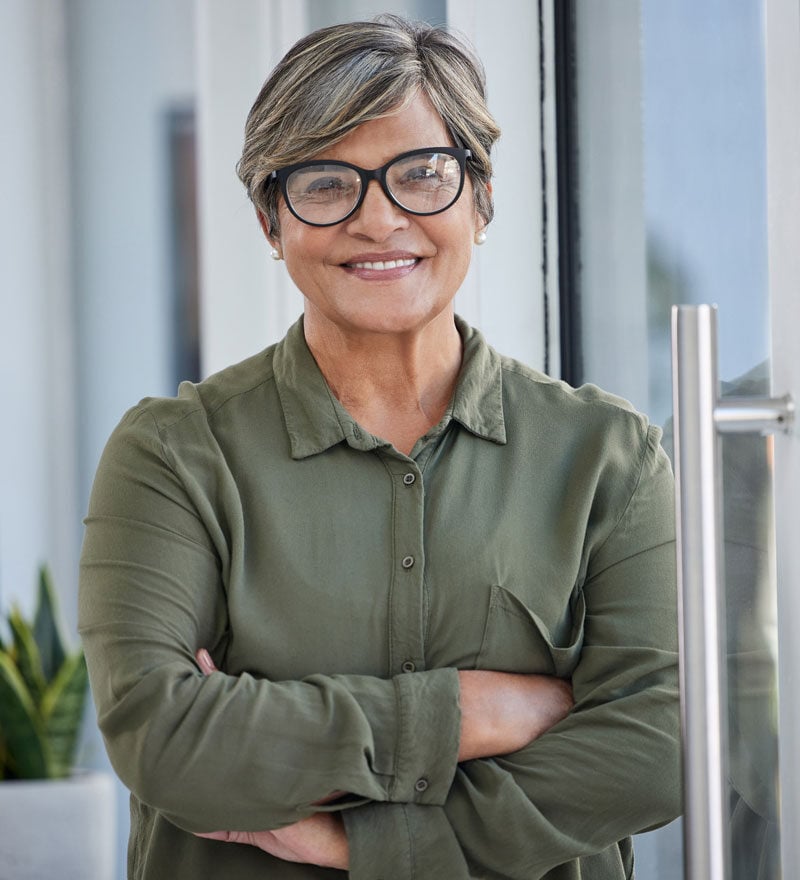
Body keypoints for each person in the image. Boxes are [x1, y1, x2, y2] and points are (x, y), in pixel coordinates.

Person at [78, 14, 680, 879]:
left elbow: (658, 747)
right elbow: (167, 742)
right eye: (326, 183)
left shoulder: (609, 458)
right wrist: (469, 714)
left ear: (481, 199)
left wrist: (361, 842)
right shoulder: (172, 456)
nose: (379, 218)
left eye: (422, 174)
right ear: (268, 219)